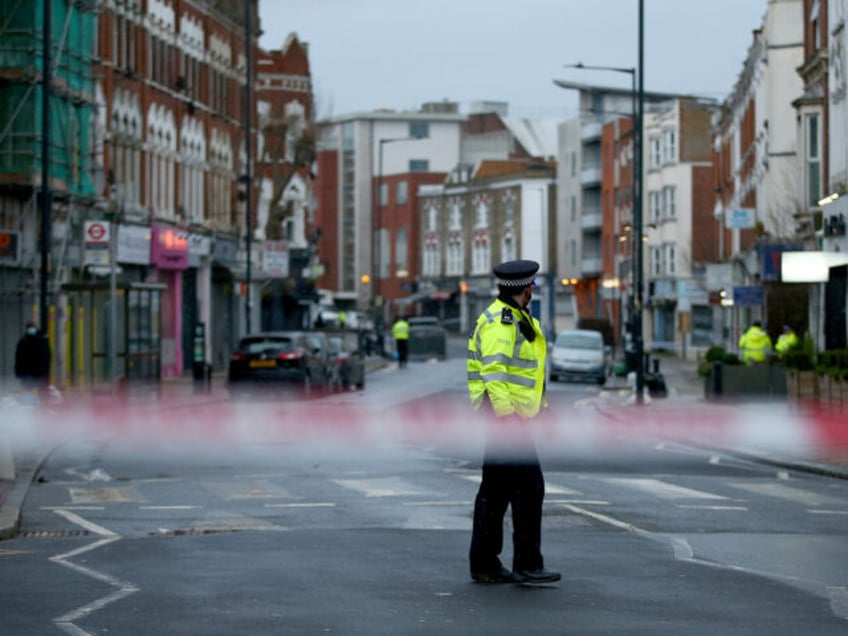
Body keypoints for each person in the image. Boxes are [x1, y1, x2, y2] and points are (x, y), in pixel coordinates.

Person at [466, 259, 560, 585]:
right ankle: (527, 563)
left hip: (509, 416)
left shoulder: (517, 318)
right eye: (531, 285)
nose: (533, 289)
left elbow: (528, 376)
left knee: (496, 492)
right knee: (530, 488)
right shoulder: (502, 323)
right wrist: (508, 420)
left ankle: (485, 564)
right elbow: (495, 375)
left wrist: (541, 409)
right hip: (505, 418)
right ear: (525, 287)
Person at [15, 322, 51, 401]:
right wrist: (19, 371)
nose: (31, 330)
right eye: (29, 328)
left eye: (32, 328)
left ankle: (40, 407)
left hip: (39, 373)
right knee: (29, 393)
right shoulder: (23, 342)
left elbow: (47, 357)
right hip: (29, 373)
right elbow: (19, 358)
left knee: (40, 394)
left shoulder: (41, 341)